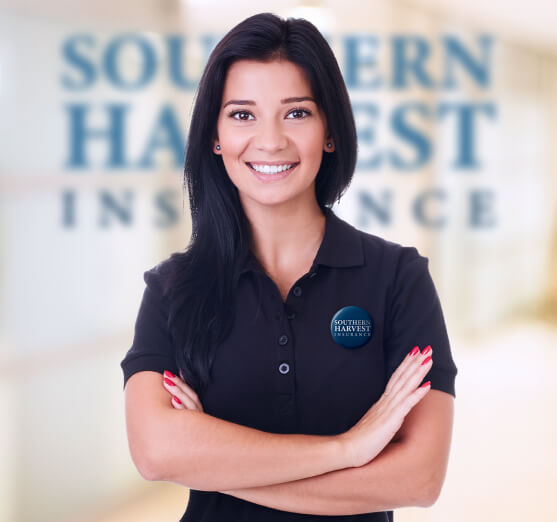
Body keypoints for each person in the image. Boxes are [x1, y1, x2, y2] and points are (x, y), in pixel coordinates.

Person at [120, 12, 457, 522]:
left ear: (330, 131)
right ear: (215, 137)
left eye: (296, 113)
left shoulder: (398, 279)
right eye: (242, 115)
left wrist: (215, 466)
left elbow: (419, 478)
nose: (271, 140)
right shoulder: (173, 289)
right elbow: (155, 452)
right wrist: (348, 449)